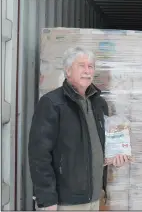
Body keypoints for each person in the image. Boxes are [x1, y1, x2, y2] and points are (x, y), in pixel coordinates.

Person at [28, 47, 129, 210]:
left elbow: (99, 146)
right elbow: (39, 154)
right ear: (68, 70)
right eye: (81, 65)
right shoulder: (52, 103)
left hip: (95, 196)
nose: (87, 71)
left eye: (91, 66)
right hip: (65, 201)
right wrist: (47, 198)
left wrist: (115, 156)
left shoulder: (99, 104)